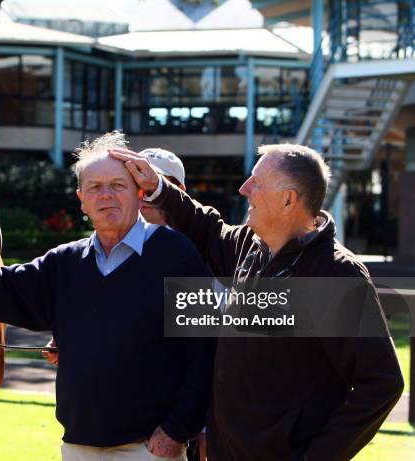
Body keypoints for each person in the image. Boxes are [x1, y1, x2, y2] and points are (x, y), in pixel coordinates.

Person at [0, 132, 214, 461]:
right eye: (95, 187)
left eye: (118, 185)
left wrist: (176, 431)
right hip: (78, 448)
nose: (106, 195)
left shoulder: (177, 254)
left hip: (148, 450)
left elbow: (206, 350)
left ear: (139, 193)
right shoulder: (64, 263)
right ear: (81, 199)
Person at [110, 144, 404, 460]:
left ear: (288, 199)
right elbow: (205, 227)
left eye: (256, 182)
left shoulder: (336, 274)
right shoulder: (251, 247)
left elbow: (381, 382)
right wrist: (158, 188)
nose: (244, 189)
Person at [43, 146, 187, 365]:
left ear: (180, 191)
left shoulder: (198, 251)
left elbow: (204, 341)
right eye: (139, 182)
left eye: (157, 185)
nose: (147, 194)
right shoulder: (102, 249)